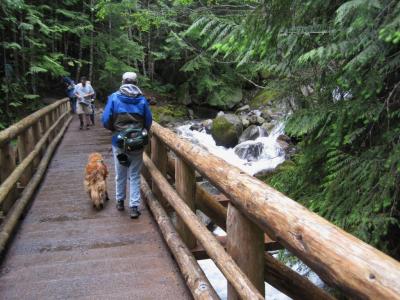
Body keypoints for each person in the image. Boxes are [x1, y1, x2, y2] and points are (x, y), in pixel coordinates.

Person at [102, 72, 152, 219]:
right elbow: (148, 121)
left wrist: (115, 130)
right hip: (137, 143)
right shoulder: (142, 100)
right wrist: (140, 133)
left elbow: (105, 120)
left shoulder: (114, 97)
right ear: (136, 83)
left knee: (120, 172)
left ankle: (119, 201)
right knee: (135, 174)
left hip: (119, 141)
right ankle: (134, 207)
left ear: (123, 81)